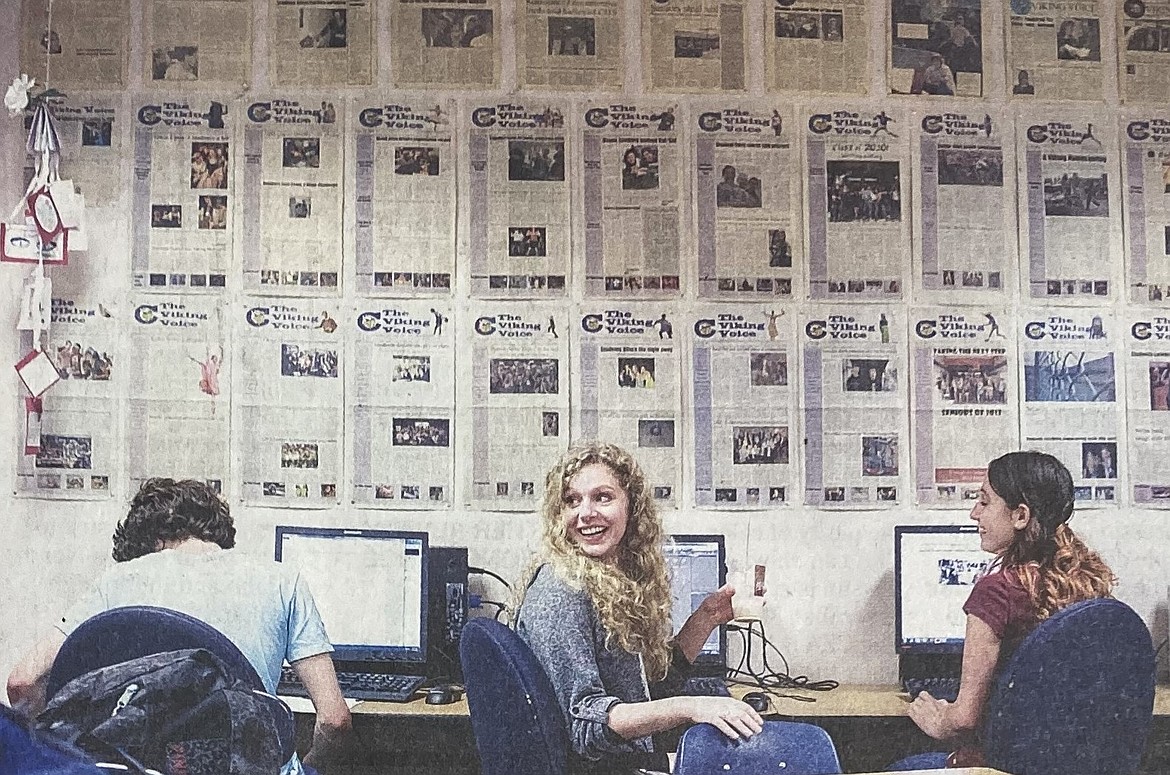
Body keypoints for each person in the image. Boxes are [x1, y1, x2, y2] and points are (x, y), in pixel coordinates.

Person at [6, 479, 352, 773]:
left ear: (153, 542)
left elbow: (22, 682)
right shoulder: (282, 580)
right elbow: (335, 720)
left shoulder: (118, 580)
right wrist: (307, 766)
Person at [514, 442, 763, 774]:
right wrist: (692, 707)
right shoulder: (561, 590)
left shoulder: (609, 578)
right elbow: (587, 726)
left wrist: (706, 618)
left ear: (631, 505)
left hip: (628, 761)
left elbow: (647, 689)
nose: (585, 512)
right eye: (572, 500)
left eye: (602, 497)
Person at [900, 451, 1115, 768]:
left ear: (1020, 516)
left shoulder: (997, 592)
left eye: (984, 502)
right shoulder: (1088, 583)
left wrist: (936, 719)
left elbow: (963, 719)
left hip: (1000, 766)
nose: (975, 513)